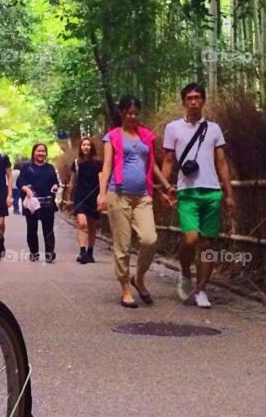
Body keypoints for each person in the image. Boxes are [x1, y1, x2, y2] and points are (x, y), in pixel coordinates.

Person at [162, 81, 236, 309]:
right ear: (184, 102)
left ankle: (201, 289)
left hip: (211, 191)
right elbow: (167, 160)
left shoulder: (214, 129)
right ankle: (185, 272)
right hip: (186, 191)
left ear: (203, 100)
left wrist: (228, 193)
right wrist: (165, 188)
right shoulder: (173, 128)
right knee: (190, 239)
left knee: (206, 244)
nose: (193, 102)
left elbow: (221, 162)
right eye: (189, 98)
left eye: (197, 98)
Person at [98, 95, 170, 308]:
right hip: (118, 194)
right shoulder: (112, 137)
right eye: (128, 113)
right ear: (121, 113)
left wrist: (166, 185)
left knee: (150, 239)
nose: (132, 116)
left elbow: (153, 166)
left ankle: (138, 278)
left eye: (135, 113)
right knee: (123, 245)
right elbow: (107, 166)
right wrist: (102, 193)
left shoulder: (147, 136)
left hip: (143, 196)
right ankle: (125, 289)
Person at [19, 142, 60, 262]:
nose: (41, 153)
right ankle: (34, 252)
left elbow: (55, 182)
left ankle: (49, 253)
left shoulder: (50, 168)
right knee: (32, 229)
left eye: (43, 151)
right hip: (32, 202)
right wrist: (26, 189)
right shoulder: (27, 167)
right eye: (39, 151)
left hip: (47, 202)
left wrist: (55, 186)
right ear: (33, 153)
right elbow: (20, 182)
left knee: (48, 229)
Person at [66, 136, 101, 264]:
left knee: (92, 226)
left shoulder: (98, 163)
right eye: (83, 145)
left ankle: (90, 252)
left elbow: (102, 179)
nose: (86, 147)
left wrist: (102, 195)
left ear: (92, 147)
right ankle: (82, 252)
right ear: (80, 148)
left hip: (94, 196)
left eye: (88, 145)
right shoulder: (76, 163)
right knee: (82, 223)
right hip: (80, 195)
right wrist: (69, 196)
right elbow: (72, 181)